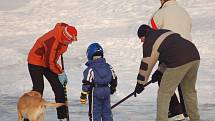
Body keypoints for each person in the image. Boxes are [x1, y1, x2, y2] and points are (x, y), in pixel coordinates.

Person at [134, 24, 200, 121]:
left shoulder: (149, 41)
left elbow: (146, 65)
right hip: (194, 56)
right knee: (189, 92)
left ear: (144, 35)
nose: (141, 41)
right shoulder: (164, 32)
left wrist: (140, 84)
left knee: (164, 94)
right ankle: (195, 119)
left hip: (178, 62)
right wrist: (159, 71)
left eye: (141, 38)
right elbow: (170, 52)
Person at [149, 0, 192, 119]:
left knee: (163, 79)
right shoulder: (184, 13)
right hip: (190, 53)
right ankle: (187, 112)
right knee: (184, 84)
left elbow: (151, 35)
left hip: (171, 54)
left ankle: (175, 110)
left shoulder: (160, 13)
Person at [27, 22, 77, 121]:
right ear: (65, 38)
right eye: (70, 40)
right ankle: (28, 118)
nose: (71, 42)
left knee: (59, 87)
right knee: (38, 89)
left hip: (47, 61)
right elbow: (50, 62)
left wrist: (59, 73)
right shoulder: (52, 41)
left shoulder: (63, 36)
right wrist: (60, 72)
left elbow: (62, 24)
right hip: (35, 61)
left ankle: (62, 117)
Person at [80, 43, 117, 121]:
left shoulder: (90, 69)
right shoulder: (108, 66)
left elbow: (87, 82)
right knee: (107, 111)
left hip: (95, 91)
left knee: (95, 111)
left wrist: (83, 94)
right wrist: (113, 87)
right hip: (106, 90)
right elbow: (114, 78)